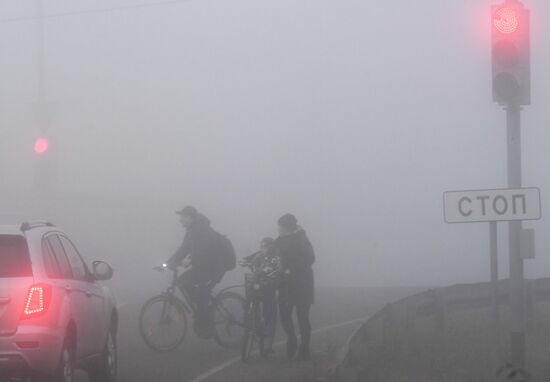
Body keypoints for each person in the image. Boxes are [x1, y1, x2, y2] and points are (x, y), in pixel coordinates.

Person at [165, 206, 227, 338]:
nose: (180, 220)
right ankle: (201, 310)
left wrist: (190, 260)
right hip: (202, 267)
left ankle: (207, 321)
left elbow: (205, 250)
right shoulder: (190, 232)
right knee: (183, 282)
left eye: (182, 217)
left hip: (214, 268)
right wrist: (169, 262)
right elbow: (183, 249)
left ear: (189, 217)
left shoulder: (202, 229)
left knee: (201, 293)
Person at [275, 213, 315, 361]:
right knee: (284, 315)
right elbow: (269, 252)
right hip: (286, 284)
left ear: (288, 227)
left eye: (280, 227)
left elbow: (310, 258)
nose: (278, 229)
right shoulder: (280, 240)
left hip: (302, 284)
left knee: (302, 317)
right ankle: (291, 339)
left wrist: (291, 268)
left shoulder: (301, 239)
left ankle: (304, 348)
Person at [242, 237, 281, 356]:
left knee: (270, 313)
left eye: (266, 246)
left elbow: (278, 269)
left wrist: (270, 271)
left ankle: (268, 344)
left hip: (268, 287)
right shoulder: (258, 255)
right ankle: (252, 323)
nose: (263, 249)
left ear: (271, 247)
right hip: (257, 286)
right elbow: (249, 258)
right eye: (262, 246)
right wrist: (245, 260)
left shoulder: (276, 257)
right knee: (249, 306)